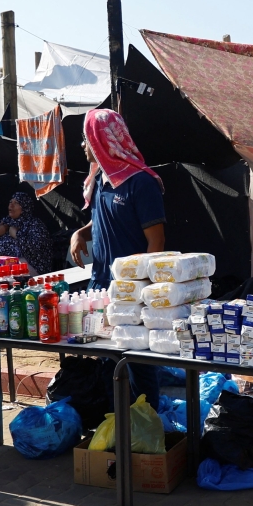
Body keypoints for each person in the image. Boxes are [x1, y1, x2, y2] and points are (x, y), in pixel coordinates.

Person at [70, 108, 166, 404]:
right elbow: (101, 218)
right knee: (104, 357)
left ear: (101, 140)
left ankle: (144, 425)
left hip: (130, 293)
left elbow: (157, 242)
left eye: (86, 139)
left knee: (137, 363)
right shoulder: (101, 180)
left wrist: (142, 294)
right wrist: (81, 233)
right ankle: (116, 420)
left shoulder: (142, 183)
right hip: (99, 286)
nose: (83, 146)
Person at [0, 192, 53, 275]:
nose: (10, 206)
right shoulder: (5, 222)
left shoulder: (35, 224)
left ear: (24, 207)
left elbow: (36, 249)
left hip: (30, 268)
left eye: (16, 203)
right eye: (10, 202)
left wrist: (17, 234)